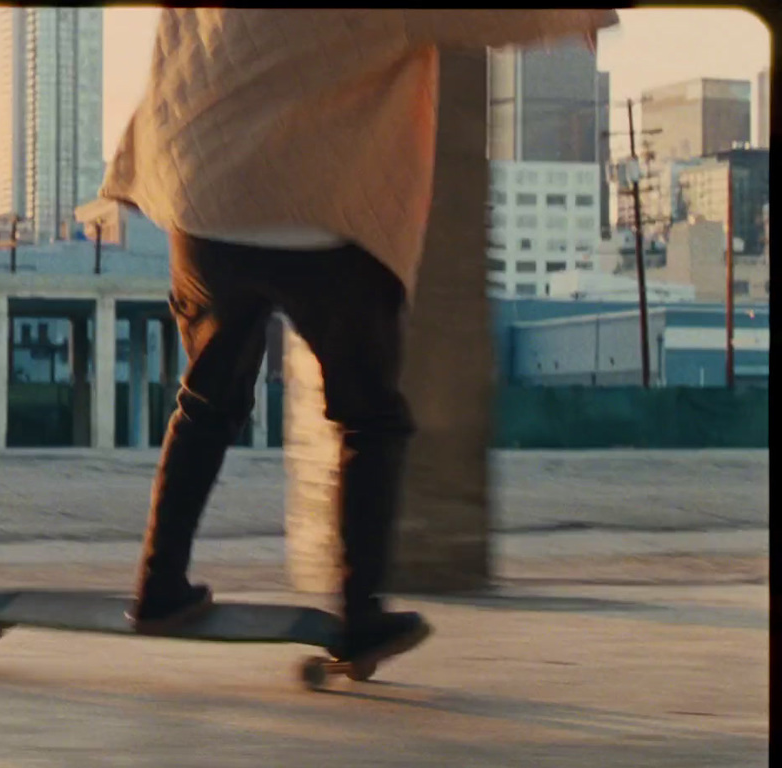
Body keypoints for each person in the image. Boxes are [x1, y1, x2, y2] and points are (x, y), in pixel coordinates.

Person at [102, 10, 618, 666]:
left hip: (206, 201)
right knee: (368, 418)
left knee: (206, 400)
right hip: (324, 216)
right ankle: (360, 616)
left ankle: (157, 588)